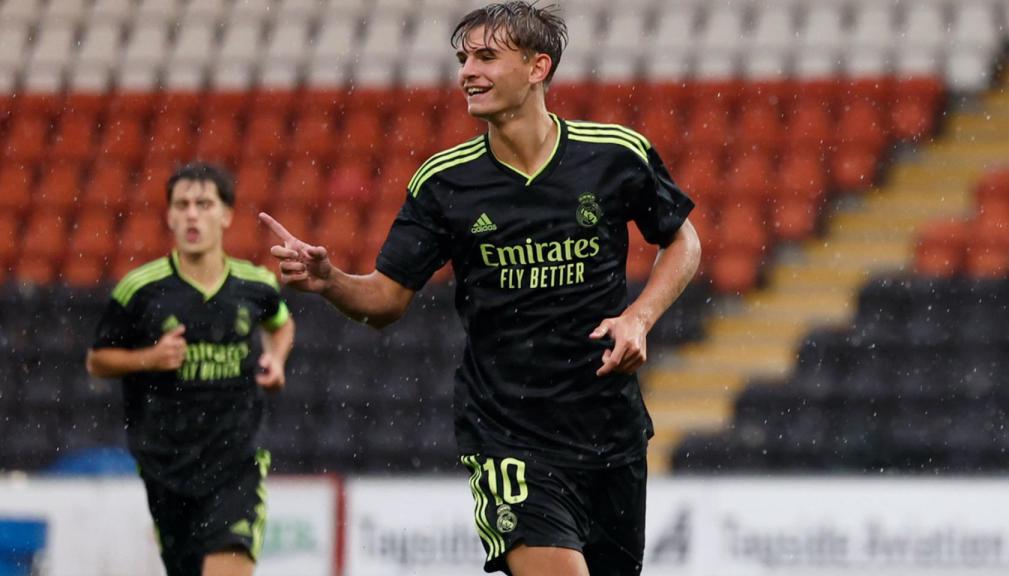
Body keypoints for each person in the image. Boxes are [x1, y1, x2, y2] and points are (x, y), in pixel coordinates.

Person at [261, 2, 700, 574]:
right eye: (463, 57)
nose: (467, 70)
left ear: (538, 67)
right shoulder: (444, 182)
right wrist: (329, 281)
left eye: (486, 56)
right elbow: (386, 301)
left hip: (608, 430)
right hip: (507, 434)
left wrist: (639, 317)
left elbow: (683, 242)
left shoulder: (615, 154)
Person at [86, 162, 295, 576]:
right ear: (169, 216)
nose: (192, 215)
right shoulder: (140, 289)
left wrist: (276, 358)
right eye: (182, 205)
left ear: (226, 215)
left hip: (235, 462)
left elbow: (281, 323)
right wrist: (149, 358)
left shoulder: (256, 285)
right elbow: (97, 360)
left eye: (204, 203)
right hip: (167, 466)